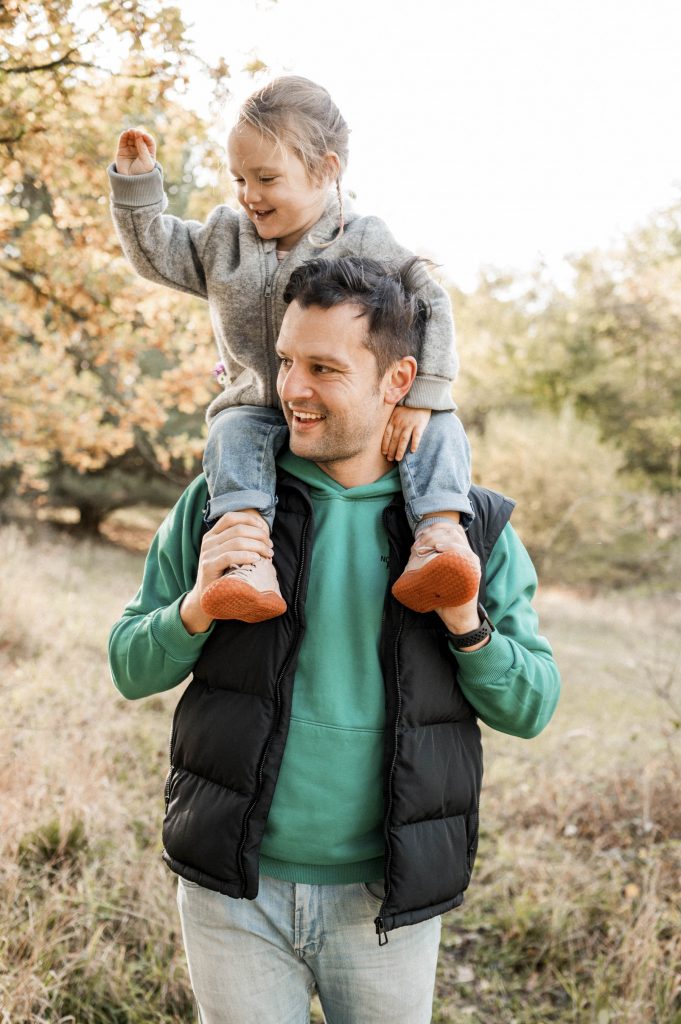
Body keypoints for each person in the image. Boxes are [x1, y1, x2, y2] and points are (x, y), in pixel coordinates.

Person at [109, 256, 561, 1024]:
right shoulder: (227, 502)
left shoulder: (467, 526)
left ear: (398, 379)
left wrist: (463, 620)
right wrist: (193, 608)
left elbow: (532, 706)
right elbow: (128, 663)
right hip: (233, 893)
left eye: (322, 367)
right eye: (285, 361)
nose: (290, 389)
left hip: (385, 899)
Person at [108, 75, 479, 625]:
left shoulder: (363, 240)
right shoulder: (223, 239)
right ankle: (248, 561)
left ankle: (439, 540)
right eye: (238, 178)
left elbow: (430, 301)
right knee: (229, 433)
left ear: (327, 171)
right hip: (258, 403)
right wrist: (138, 188)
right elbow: (157, 252)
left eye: (266, 178)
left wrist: (424, 393)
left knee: (438, 428)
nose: (248, 194)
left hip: (347, 406)